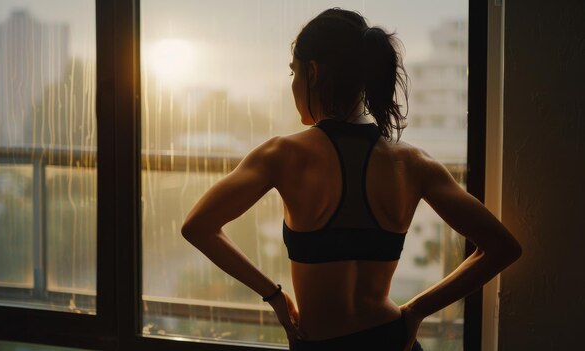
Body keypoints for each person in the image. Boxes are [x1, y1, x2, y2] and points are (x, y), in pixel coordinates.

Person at [181, 7, 521, 351]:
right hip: (391, 340)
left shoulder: (282, 155)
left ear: (312, 72)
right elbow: (502, 247)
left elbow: (198, 226)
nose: (294, 84)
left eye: (293, 72)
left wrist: (275, 296)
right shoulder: (413, 163)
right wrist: (418, 310)